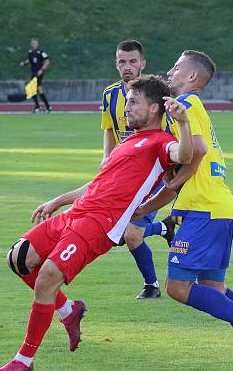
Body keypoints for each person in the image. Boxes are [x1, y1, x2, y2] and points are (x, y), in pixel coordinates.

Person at [0, 75, 194, 371]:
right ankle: (67, 309)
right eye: (127, 102)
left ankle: (24, 360)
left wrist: (185, 124)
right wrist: (59, 200)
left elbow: (186, 155)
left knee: (47, 277)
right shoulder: (128, 142)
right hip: (77, 213)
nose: (126, 108)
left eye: (134, 102)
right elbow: (98, 183)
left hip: (101, 224)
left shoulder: (162, 143)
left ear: (154, 109)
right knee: (18, 258)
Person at [133, 50, 233, 367]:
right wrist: (161, 206)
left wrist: (162, 191)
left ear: (192, 78)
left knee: (177, 288)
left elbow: (193, 153)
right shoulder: (192, 108)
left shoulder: (184, 105)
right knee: (214, 287)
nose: (169, 72)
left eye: (176, 68)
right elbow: (187, 165)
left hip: (205, 210)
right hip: (216, 207)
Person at [101, 40, 176, 300]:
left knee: (129, 234)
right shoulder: (110, 95)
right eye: (122, 61)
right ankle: (166, 229)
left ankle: (152, 286)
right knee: (117, 234)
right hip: (125, 174)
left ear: (143, 63)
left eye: (133, 61)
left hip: (153, 175)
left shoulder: (157, 97)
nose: (127, 67)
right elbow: (109, 129)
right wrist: (106, 159)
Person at [19, 38, 52, 113]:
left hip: (39, 73)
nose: (33, 45)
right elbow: (29, 61)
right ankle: (48, 107)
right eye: (32, 43)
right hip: (34, 73)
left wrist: (42, 70)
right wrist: (24, 63)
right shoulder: (30, 52)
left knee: (30, 88)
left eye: (35, 43)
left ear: (37, 44)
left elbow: (47, 61)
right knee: (39, 90)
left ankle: (38, 106)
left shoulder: (41, 52)